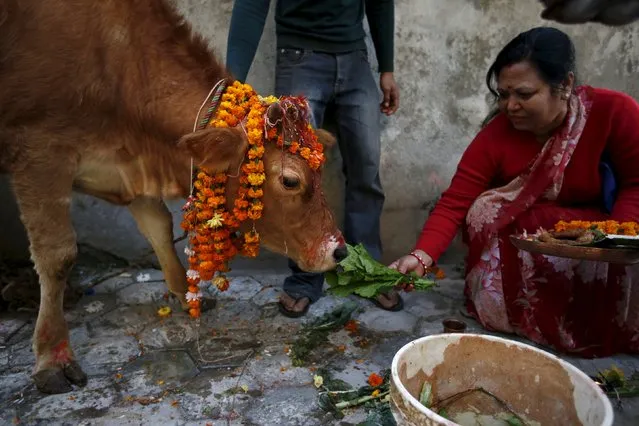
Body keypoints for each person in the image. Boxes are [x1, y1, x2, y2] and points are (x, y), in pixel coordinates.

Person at [391, 26, 639, 357]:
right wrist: (420, 256)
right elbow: (455, 202)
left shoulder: (613, 112)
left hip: (600, 233)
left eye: (523, 95)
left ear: (563, 85)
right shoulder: (498, 134)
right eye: (503, 94)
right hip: (531, 237)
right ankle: (518, 314)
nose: (510, 106)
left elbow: (636, 184)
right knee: (488, 211)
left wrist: (620, 239)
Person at [225, 0, 401, 317]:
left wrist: (386, 67)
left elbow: (380, 3)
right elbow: (251, 5)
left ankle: (366, 270)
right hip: (299, 58)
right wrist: (231, 81)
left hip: (356, 60)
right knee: (295, 175)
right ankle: (306, 278)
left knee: (367, 170)